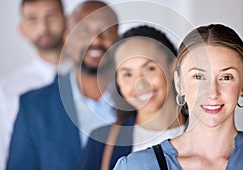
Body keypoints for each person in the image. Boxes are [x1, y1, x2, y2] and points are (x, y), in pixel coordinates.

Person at [113, 24, 243, 169]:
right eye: (198, 77)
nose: (212, 92)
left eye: (226, 77)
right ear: (179, 83)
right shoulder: (135, 166)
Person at [6, 0, 119, 170]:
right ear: (67, 38)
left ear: (118, 38)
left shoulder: (138, 101)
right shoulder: (33, 106)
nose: (95, 40)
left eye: (106, 30)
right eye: (84, 31)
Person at [79, 25, 187, 170]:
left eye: (150, 69)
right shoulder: (101, 143)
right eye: (127, 74)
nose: (140, 85)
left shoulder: (211, 133)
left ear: (173, 66)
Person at [0, 0, 66, 170]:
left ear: (66, 21)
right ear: (22, 29)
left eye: (51, 16)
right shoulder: (5, 90)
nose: (43, 27)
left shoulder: (88, 81)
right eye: (33, 19)